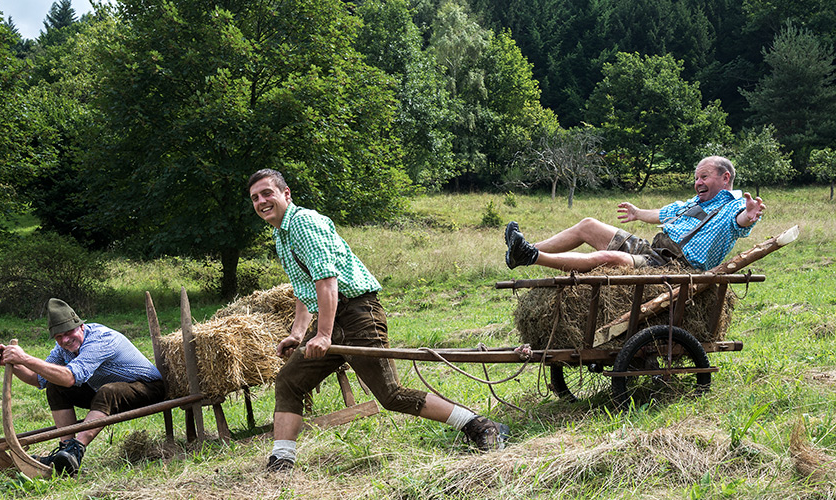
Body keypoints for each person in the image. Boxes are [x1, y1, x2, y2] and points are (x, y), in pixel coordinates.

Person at [248, 168, 507, 473]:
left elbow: (327, 281)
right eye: (255, 198)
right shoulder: (282, 234)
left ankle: (480, 424)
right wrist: (298, 333)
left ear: (285, 194)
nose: (262, 201)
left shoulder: (303, 223)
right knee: (289, 381)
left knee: (391, 395)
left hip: (357, 314)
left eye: (268, 193)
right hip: (333, 318)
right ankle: (282, 461)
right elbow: (307, 288)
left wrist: (325, 335)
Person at [0, 298, 164, 476]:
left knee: (108, 391)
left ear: (81, 326)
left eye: (69, 332)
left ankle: (75, 451)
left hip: (149, 388)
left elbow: (70, 377)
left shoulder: (101, 338)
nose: (65, 340)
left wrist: (25, 358)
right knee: (55, 386)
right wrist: (13, 363)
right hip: (105, 393)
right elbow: (39, 379)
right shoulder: (63, 348)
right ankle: (64, 453)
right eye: (58, 337)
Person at [504, 156, 766, 272]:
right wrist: (638, 213)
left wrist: (749, 214)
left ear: (725, 177)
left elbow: (739, 223)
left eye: (704, 177)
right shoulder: (694, 202)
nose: (697, 182)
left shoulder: (733, 207)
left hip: (675, 269)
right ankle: (522, 248)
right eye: (696, 178)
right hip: (653, 252)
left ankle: (533, 257)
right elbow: (663, 214)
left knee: (610, 258)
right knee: (588, 225)